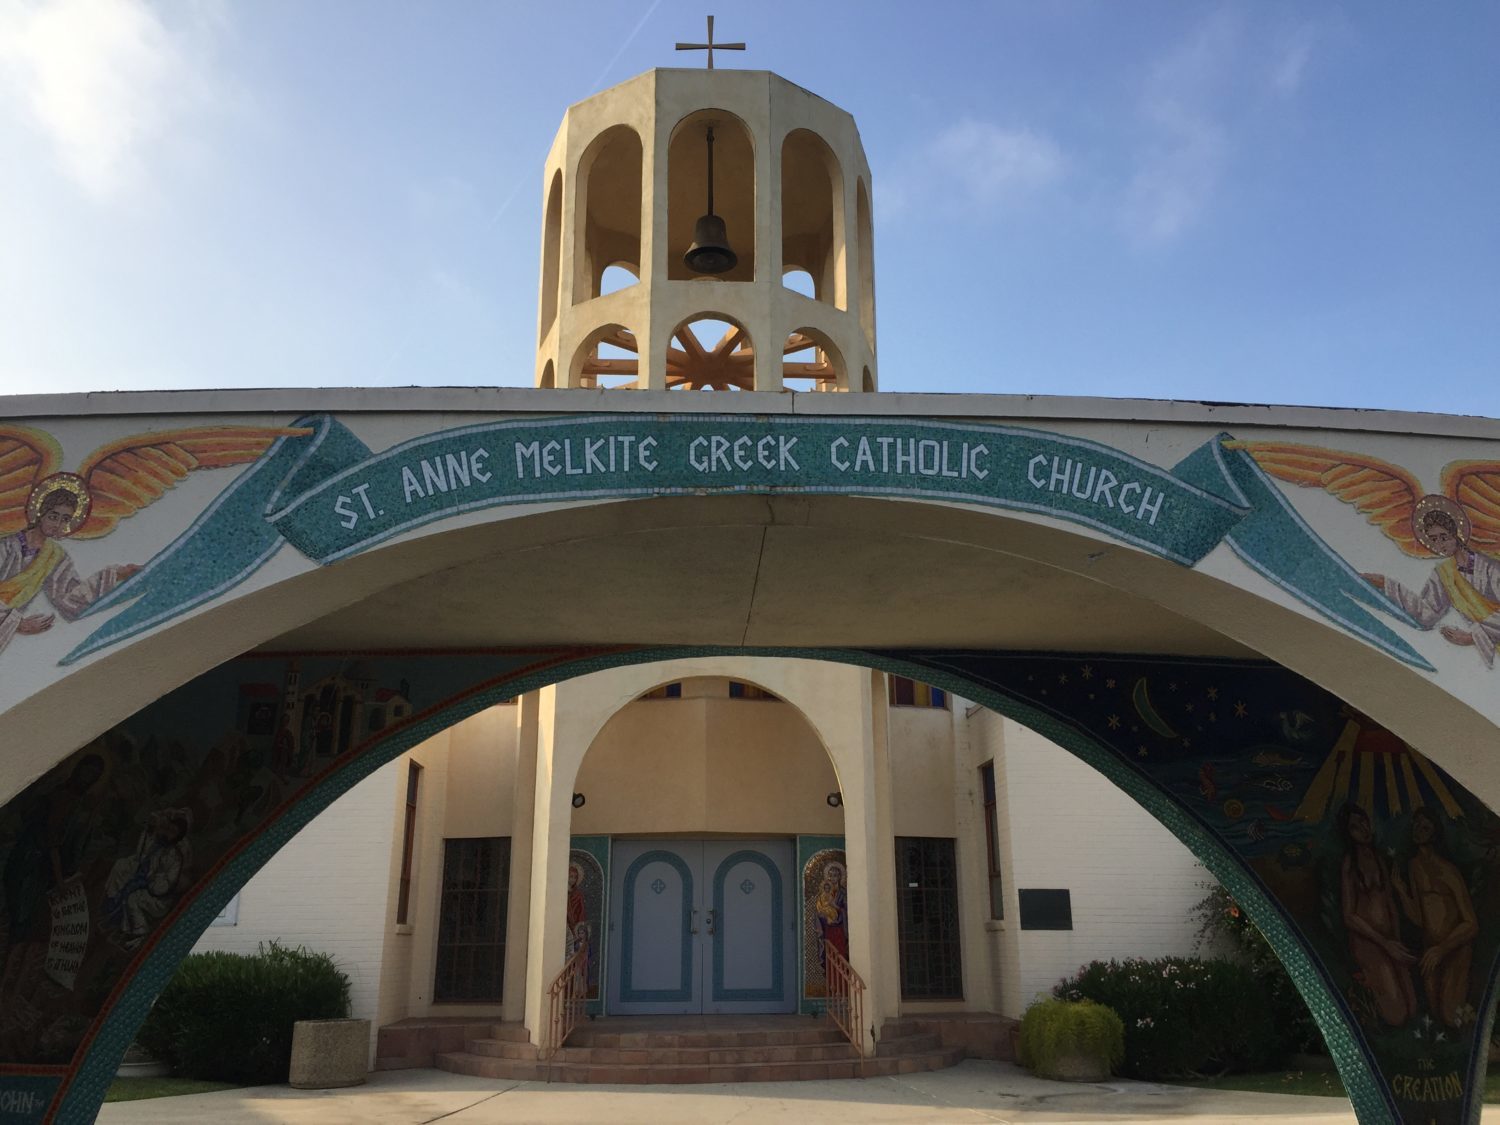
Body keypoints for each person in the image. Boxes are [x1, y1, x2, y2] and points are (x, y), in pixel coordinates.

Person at [0, 483, 139, 657]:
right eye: (53, 516)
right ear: (39, 513)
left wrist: (116, 574)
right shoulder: (7, 546)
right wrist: (16, 623)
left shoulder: (55, 556)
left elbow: (69, 599)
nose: (57, 524)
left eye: (65, 519)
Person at [1364, 502, 1500, 667]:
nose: (1440, 545)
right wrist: (1386, 584)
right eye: (1434, 540)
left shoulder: (1488, 565)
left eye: (1444, 537)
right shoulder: (1444, 574)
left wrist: (1471, 637)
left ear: (1456, 534)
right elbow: (1427, 614)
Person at [1392, 807, 1479, 1027]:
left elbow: (1470, 923)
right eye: (1416, 824)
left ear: (1434, 833)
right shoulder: (1414, 866)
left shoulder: (1448, 871)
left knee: (1452, 1017)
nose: (1418, 830)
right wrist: (1401, 891)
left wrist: (1443, 948)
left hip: (1454, 949)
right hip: (1430, 950)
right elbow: (1420, 918)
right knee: (1436, 1013)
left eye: (1425, 827)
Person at [1337, 803, 1418, 1026]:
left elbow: (1390, 902)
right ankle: (1364, 986)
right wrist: (1384, 943)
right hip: (1369, 942)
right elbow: (1349, 915)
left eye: (1364, 822)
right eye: (1355, 827)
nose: (1362, 829)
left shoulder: (1378, 858)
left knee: (1412, 1007)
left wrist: (1396, 940)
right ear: (1348, 834)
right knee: (1397, 1015)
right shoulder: (1349, 864)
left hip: (1389, 939)